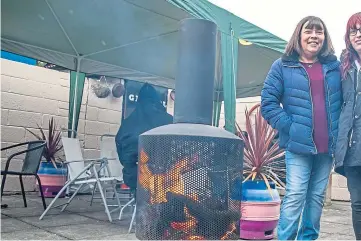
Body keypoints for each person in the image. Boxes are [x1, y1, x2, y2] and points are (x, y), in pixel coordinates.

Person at [260, 16, 342, 240]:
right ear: (299, 35)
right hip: (298, 145)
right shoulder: (283, 65)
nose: (314, 36)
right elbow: (268, 103)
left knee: (315, 197)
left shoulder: (334, 67)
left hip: (327, 147)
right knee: (295, 195)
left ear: (324, 38)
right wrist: (291, 127)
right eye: (309, 31)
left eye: (319, 32)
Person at [115, 83, 173, 196]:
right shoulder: (169, 120)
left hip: (134, 178)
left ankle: (141, 208)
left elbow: (121, 153)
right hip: (164, 178)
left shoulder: (127, 123)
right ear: (157, 100)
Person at [335, 12, 361, 240]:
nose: (358, 35)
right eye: (354, 31)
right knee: (358, 204)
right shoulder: (343, 67)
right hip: (353, 148)